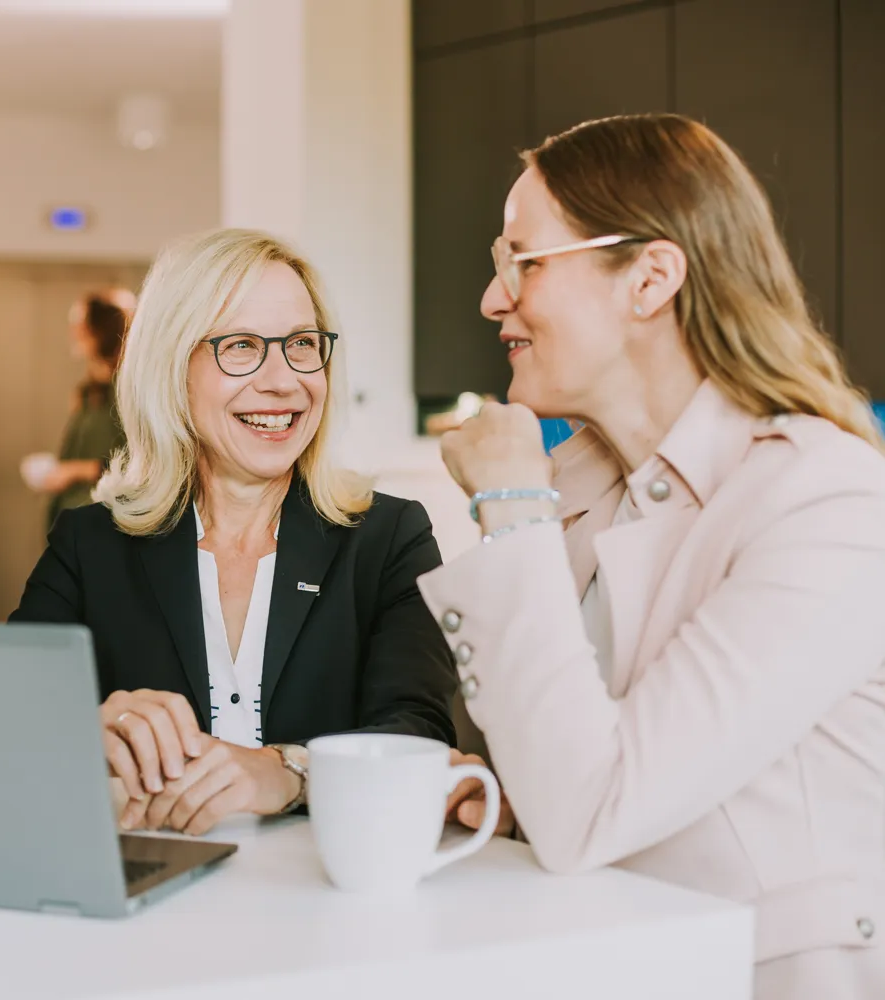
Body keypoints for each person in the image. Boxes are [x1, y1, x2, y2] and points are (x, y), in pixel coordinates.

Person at [423, 113, 885, 999]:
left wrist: (511, 512)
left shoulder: (826, 501)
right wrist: (498, 789)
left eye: (523, 260)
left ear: (650, 276)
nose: (492, 298)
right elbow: (566, 765)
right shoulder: (582, 480)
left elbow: (592, 807)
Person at [11, 228, 457, 837]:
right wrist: (82, 728)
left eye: (302, 344)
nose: (282, 380)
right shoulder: (90, 546)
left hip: (328, 903)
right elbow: (3, 724)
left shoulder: (389, 539)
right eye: (242, 346)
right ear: (172, 365)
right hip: (149, 912)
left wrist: (288, 770)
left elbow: (419, 737)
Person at [32, 289, 133, 531]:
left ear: (100, 332)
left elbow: (137, 461)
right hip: (73, 518)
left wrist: (75, 471)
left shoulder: (127, 392)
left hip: (103, 520)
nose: (74, 333)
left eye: (80, 324)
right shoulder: (88, 393)